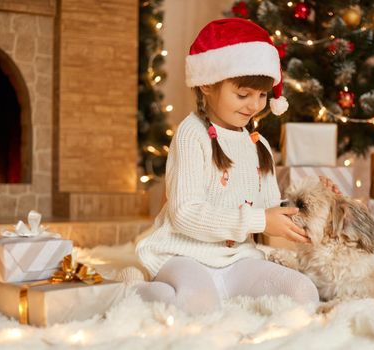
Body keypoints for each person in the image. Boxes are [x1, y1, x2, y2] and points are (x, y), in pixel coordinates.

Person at [135, 18, 321, 314]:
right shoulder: (191, 133)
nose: (254, 105)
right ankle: (140, 291)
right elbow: (184, 214)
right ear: (207, 83)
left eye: (262, 95)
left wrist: (314, 205)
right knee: (198, 306)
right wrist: (259, 221)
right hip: (184, 256)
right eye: (243, 94)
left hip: (237, 261)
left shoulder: (259, 145)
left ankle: (215, 295)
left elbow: (270, 209)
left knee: (303, 293)